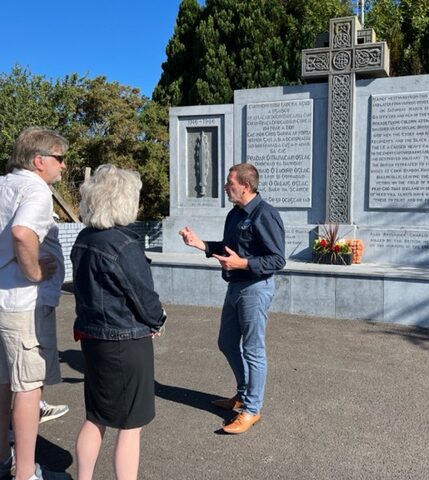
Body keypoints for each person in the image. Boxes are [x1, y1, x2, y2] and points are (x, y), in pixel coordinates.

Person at [70, 164, 166, 480]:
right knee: (129, 425)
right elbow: (143, 295)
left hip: (92, 336)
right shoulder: (123, 244)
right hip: (125, 339)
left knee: (95, 417)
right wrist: (157, 320)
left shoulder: (84, 239)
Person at [0, 127, 68, 480]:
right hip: (22, 303)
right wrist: (32, 271)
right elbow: (22, 232)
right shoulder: (36, 190)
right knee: (28, 387)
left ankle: (0, 461)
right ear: (40, 161)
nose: (63, 166)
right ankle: (26, 473)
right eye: (60, 159)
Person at [180, 163, 285, 434]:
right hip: (235, 287)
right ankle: (242, 394)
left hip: (255, 288)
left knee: (253, 350)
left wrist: (244, 264)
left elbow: (277, 259)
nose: (227, 187)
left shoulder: (265, 214)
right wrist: (200, 244)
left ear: (245, 186)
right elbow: (229, 250)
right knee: (226, 342)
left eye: (230, 183)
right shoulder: (234, 214)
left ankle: (251, 409)